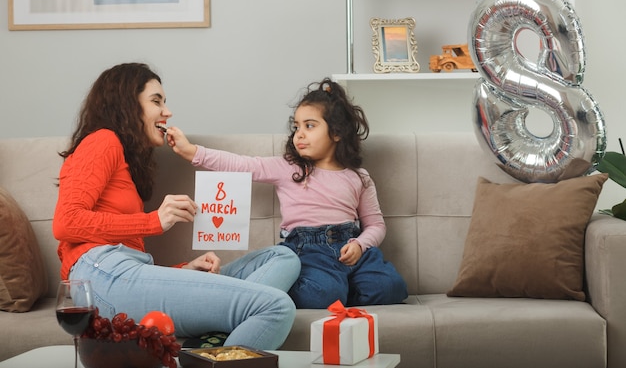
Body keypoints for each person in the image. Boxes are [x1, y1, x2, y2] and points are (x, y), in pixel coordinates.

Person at [52, 62, 300, 350]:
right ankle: (230, 329)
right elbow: (66, 222)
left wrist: (184, 270)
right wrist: (153, 221)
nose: (167, 112)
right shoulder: (102, 141)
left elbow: (133, 268)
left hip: (120, 273)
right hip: (98, 276)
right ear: (126, 105)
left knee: (284, 257)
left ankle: (224, 326)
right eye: (156, 101)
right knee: (276, 307)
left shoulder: (125, 160)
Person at [166, 78, 408, 309]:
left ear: (337, 132)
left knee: (390, 288)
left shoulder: (359, 177)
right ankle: (308, 289)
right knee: (321, 293)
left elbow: (376, 225)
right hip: (308, 252)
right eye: (296, 127)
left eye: (309, 126)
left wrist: (361, 244)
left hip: (353, 248)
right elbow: (242, 164)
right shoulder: (289, 168)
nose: (299, 134)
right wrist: (192, 151)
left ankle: (340, 290)